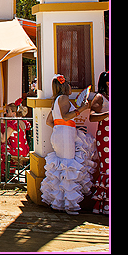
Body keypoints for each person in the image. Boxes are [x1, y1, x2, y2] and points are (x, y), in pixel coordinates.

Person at [40, 74, 92, 214]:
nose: (71, 88)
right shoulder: (63, 99)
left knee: (61, 169)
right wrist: (82, 108)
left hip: (60, 134)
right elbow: (65, 116)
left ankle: (59, 203)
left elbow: (49, 121)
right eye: (69, 84)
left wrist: (60, 128)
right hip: (65, 135)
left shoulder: (56, 100)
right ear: (64, 86)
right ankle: (68, 205)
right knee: (68, 167)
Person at [0, 100, 30, 180]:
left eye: (7, 111)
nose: (5, 113)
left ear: (14, 113)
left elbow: (3, 139)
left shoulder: (13, 123)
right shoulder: (22, 122)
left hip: (16, 151)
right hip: (24, 150)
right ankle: (6, 172)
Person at [89, 71, 109, 215]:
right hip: (105, 138)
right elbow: (92, 117)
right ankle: (104, 205)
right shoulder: (99, 97)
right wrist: (107, 114)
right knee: (107, 168)